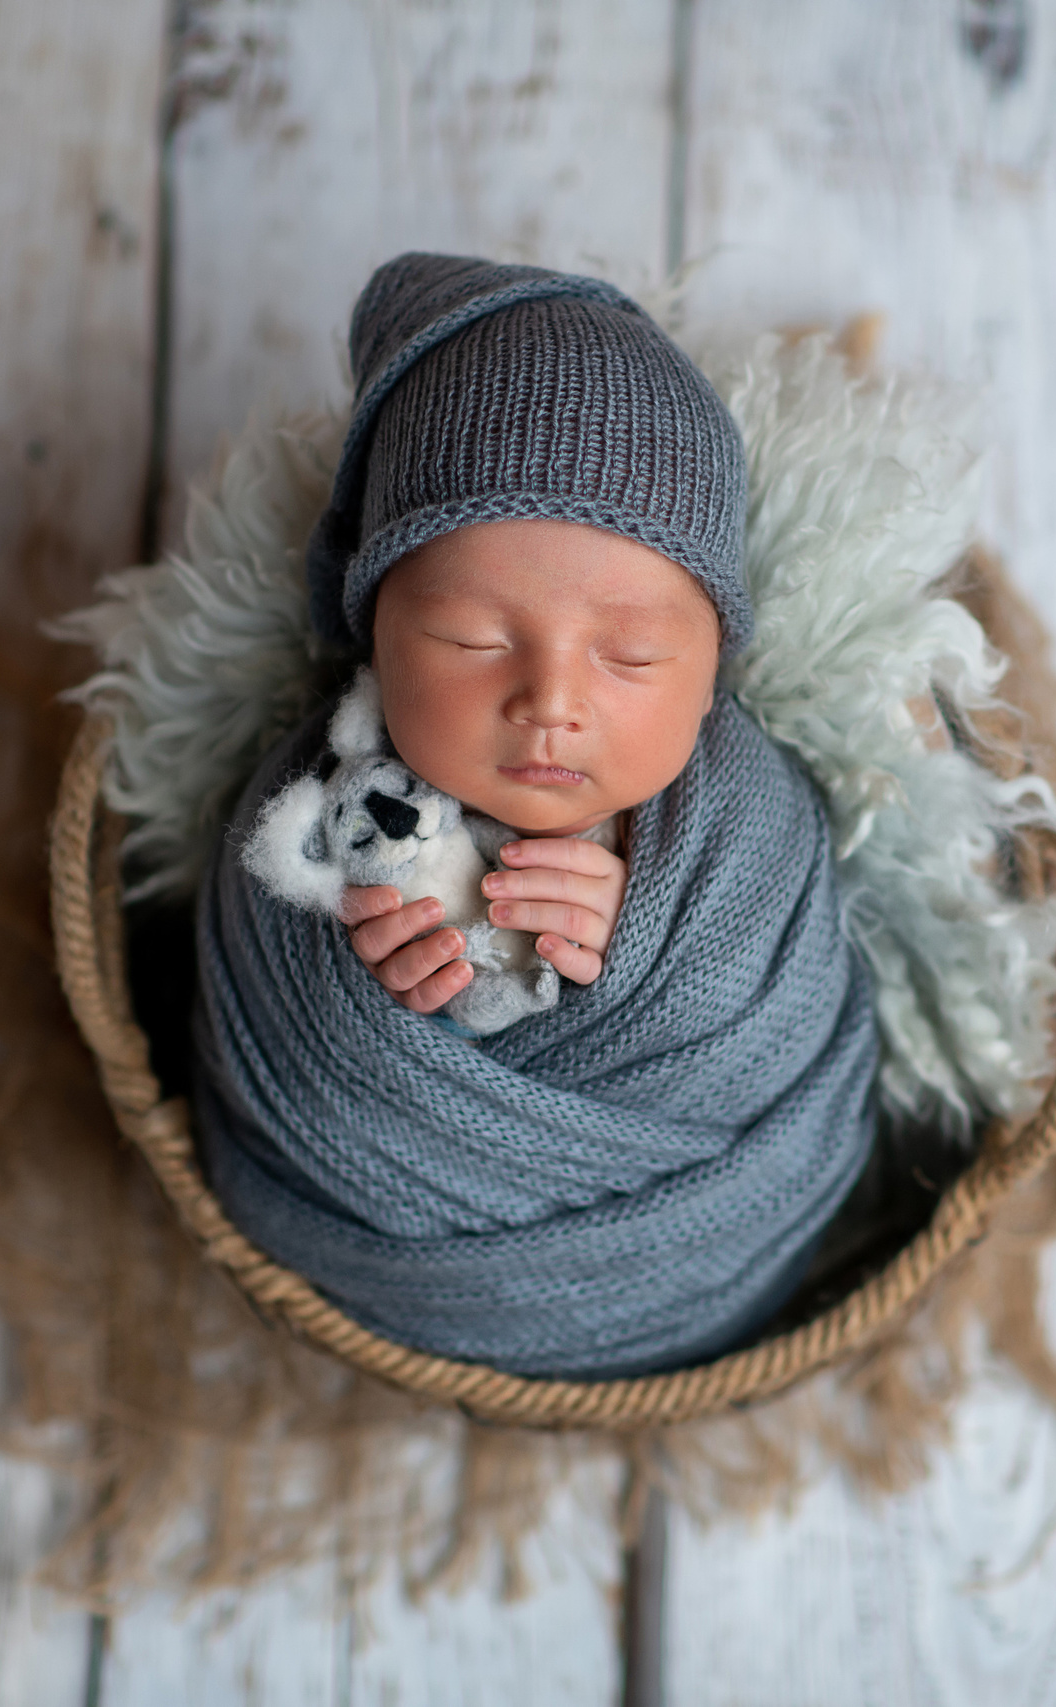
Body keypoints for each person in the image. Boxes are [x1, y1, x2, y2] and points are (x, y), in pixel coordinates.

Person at [189, 253, 884, 1380]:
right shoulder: (321, 802)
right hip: (393, 1270)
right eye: (470, 640)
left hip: (719, 1243)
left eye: (634, 654)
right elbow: (266, 1013)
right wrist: (364, 985)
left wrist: (650, 927)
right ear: (373, 633)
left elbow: (786, 1004)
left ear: (714, 673)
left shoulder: (740, 815)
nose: (551, 702)